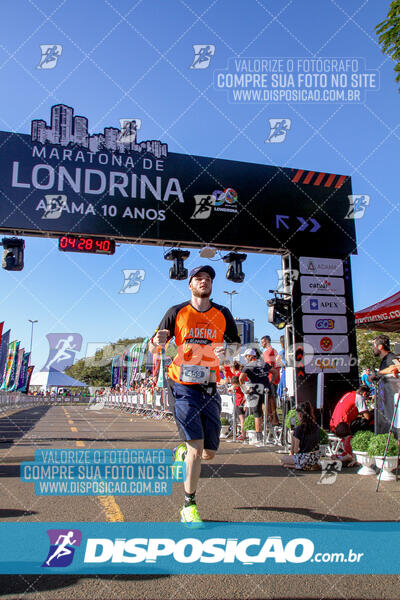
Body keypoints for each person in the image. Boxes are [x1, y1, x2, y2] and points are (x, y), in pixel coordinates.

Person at [149, 265, 241, 526]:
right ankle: (189, 506)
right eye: (199, 278)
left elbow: (235, 346)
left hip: (210, 385)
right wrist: (158, 340)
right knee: (196, 448)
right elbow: (155, 347)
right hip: (182, 384)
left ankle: (183, 452)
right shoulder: (176, 312)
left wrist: (230, 353)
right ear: (190, 284)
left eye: (208, 279)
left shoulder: (223, 313)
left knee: (208, 453)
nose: (204, 282)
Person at [239, 348, 278, 444]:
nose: (245, 358)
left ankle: (259, 438)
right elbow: (275, 372)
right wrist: (271, 382)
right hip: (266, 390)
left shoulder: (247, 366)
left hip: (255, 391)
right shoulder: (263, 364)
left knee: (257, 414)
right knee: (268, 411)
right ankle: (271, 435)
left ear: (250, 356)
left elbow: (241, 379)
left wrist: (245, 390)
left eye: (246, 356)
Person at [329, 385, 373, 465]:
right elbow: (367, 416)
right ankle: (361, 449)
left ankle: (347, 454)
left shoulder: (349, 394)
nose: (366, 400)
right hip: (343, 427)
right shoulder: (359, 397)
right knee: (367, 423)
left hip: (334, 425)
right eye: (367, 397)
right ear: (364, 394)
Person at [281, 402, 321, 470]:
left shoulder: (299, 429)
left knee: (283, 459)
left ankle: (299, 466)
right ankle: (308, 466)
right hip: (315, 457)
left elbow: (296, 450)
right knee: (286, 463)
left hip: (304, 458)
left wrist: (293, 438)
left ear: (300, 414)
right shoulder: (316, 427)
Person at [260, 335, 280, 425]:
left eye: (263, 342)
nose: (262, 344)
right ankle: (273, 420)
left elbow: (269, 366)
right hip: (273, 379)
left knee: (269, 400)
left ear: (267, 341)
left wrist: (270, 380)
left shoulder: (268, 352)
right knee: (270, 400)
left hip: (270, 379)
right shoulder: (273, 351)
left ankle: (272, 420)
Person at [230, 375, 247, 441]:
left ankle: (243, 434)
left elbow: (230, 389)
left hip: (239, 403)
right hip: (240, 403)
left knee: (241, 419)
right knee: (240, 419)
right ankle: (240, 433)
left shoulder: (237, 387)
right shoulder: (242, 386)